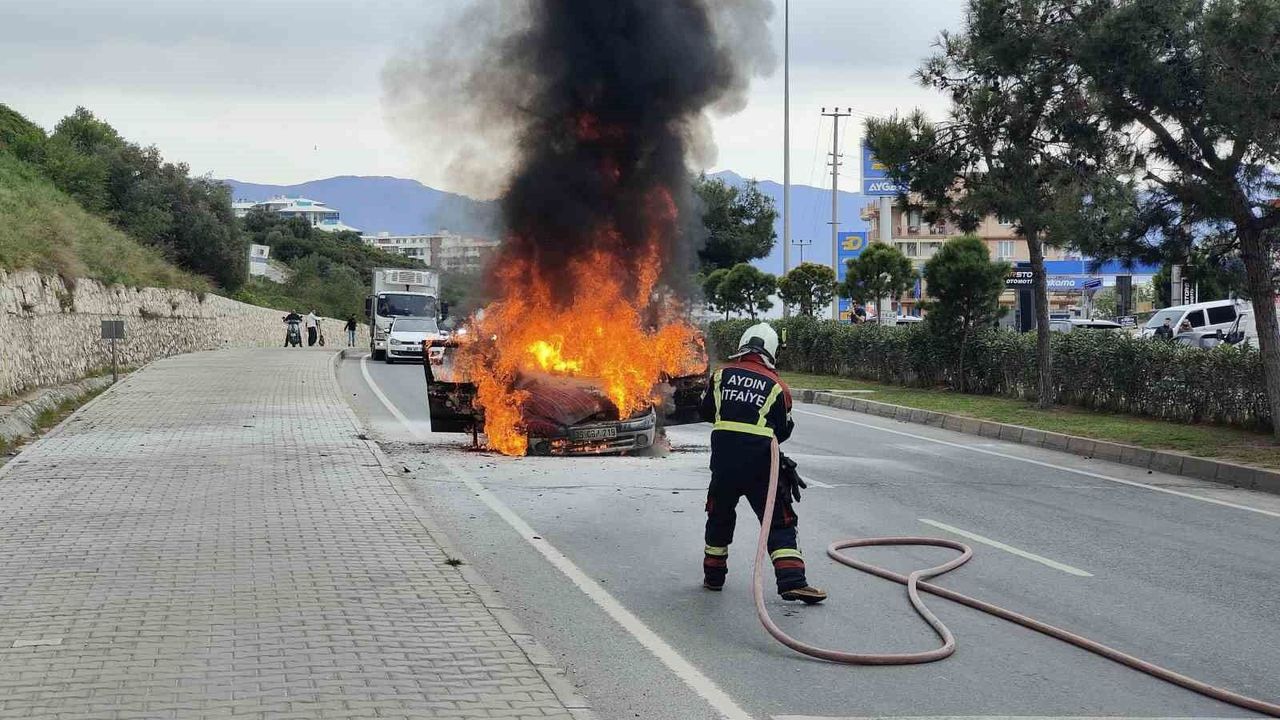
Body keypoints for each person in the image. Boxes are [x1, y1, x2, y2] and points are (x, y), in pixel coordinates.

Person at [698, 322, 826, 604]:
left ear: (742, 346)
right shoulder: (778, 387)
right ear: (771, 351)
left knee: (719, 514)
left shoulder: (720, 376)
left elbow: (705, 411)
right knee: (779, 520)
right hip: (760, 465)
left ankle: (713, 577)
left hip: (723, 464)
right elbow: (784, 430)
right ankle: (793, 581)